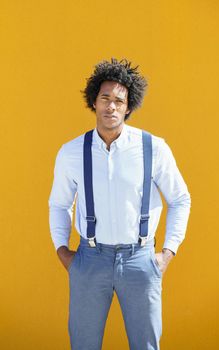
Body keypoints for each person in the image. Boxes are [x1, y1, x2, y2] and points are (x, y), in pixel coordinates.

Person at [48, 57, 191, 350]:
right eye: (105, 99)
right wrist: (63, 252)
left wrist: (167, 253)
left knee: (146, 346)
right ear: (94, 102)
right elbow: (59, 205)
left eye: (118, 100)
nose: (111, 106)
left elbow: (180, 198)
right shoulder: (72, 152)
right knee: (83, 345)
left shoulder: (154, 148)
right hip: (90, 260)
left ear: (129, 106)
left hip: (140, 259)